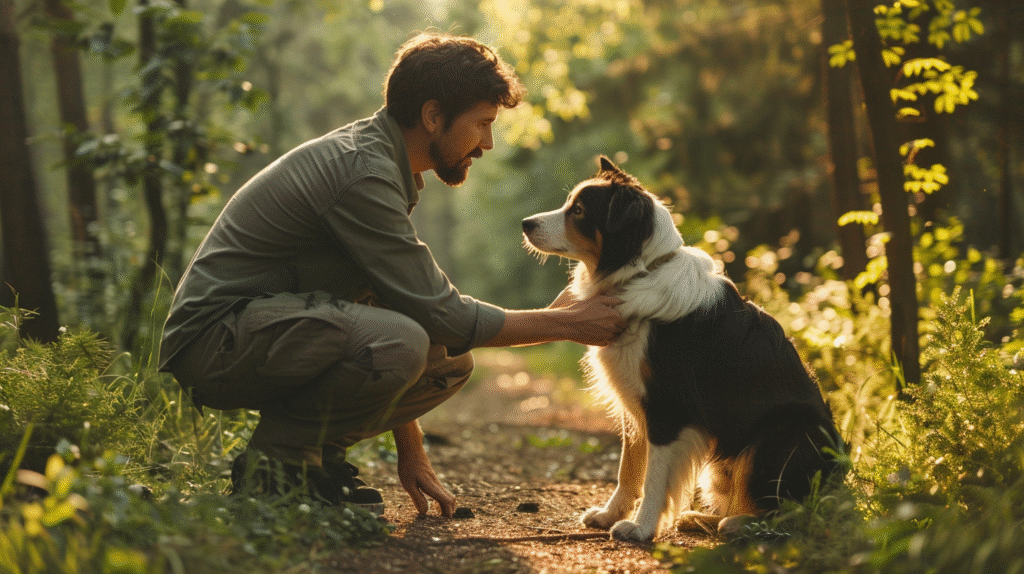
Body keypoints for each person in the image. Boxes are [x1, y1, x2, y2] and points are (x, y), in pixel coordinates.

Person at [159, 32, 625, 518]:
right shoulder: (364, 173)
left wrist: (412, 448)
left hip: (261, 331)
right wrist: (570, 323)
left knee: (447, 362)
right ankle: (278, 466)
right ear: (432, 116)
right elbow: (443, 314)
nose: (487, 142)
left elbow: (399, 307)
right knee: (406, 341)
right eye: (483, 123)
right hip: (213, 342)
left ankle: (314, 460)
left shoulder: (384, 166)